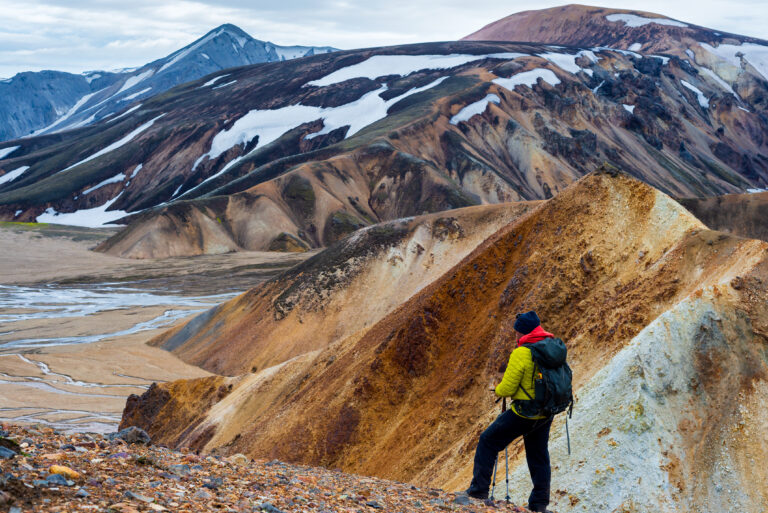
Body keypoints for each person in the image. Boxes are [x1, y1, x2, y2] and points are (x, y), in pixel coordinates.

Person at [465, 310, 555, 512]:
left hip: (525, 411)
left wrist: (496, 389)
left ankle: (478, 491)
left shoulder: (522, 352)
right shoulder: (551, 346)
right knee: (538, 454)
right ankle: (539, 504)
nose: (515, 336)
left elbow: (508, 388)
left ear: (523, 332)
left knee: (488, 441)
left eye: (517, 332)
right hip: (546, 412)